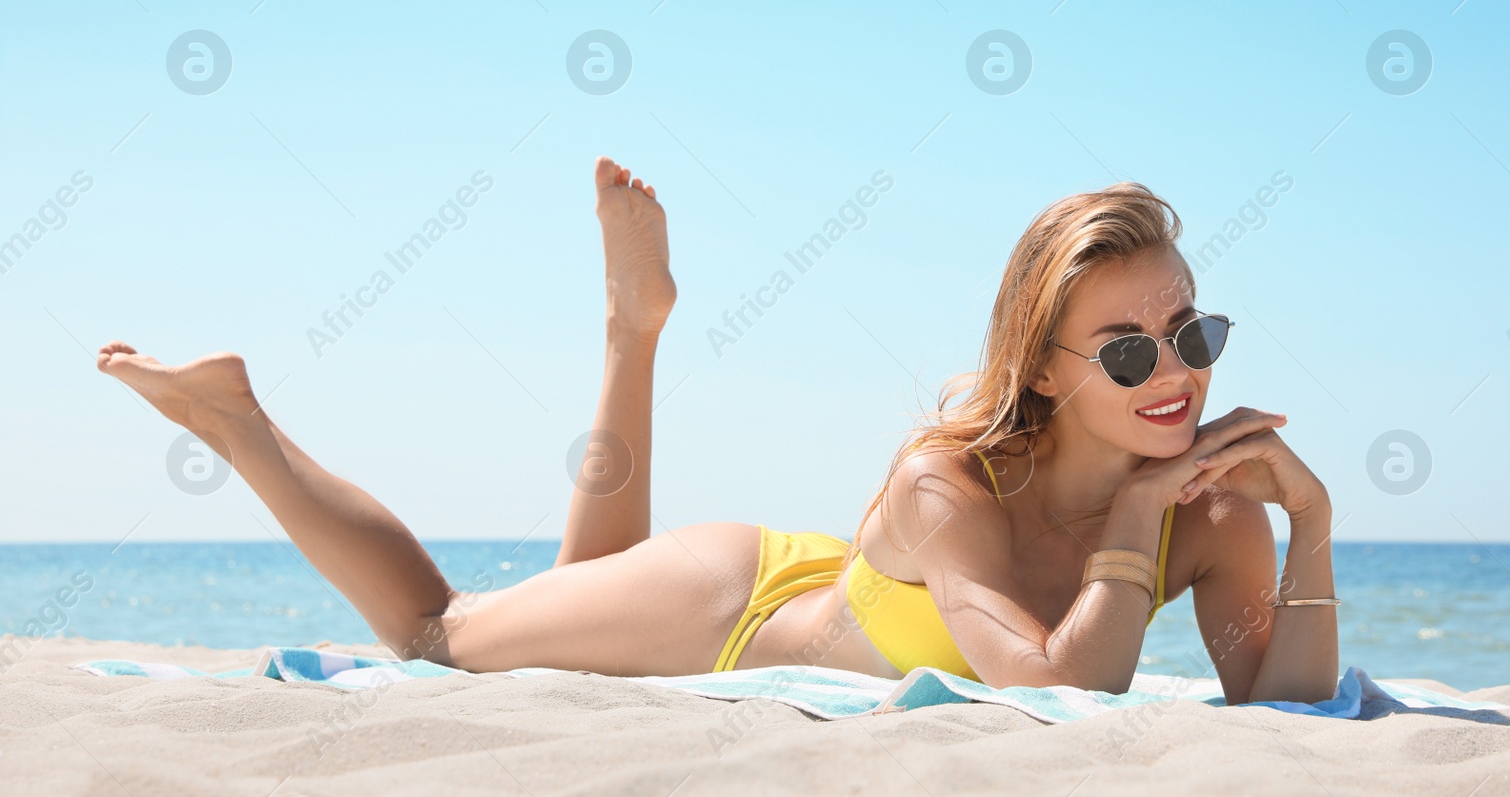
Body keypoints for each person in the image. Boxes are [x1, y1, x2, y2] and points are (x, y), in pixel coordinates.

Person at [97, 157, 1338, 703]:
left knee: (570, 595)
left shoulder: (1218, 509)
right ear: (1044, 370)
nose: (1176, 372)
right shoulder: (943, 487)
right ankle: (240, 419)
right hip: (736, 603)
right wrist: (1132, 513)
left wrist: (1313, 529)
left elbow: (1280, 701)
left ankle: (633, 331)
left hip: (806, 589)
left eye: (1192, 329)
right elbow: (1069, 684)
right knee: (440, 635)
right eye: (1128, 348)